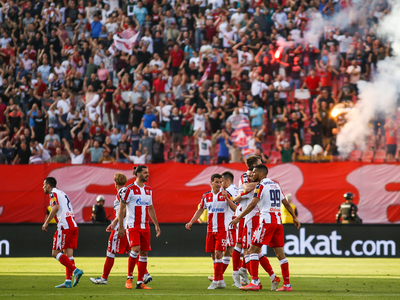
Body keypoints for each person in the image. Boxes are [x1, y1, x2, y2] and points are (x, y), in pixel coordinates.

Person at [230, 164, 300, 292]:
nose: (252, 175)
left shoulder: (260, 186)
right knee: (280, 254)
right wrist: (294, 217)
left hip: (266, 221)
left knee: (251, 251)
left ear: (261, 174)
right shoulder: (276, 185)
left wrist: (239, 217)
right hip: (277, 222)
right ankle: (287, 285)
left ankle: (255, 282)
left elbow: (252, 204)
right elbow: (286, 203)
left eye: (255, 172)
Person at [185, 173, 237, 289]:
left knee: (219, 254)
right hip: (210, 230)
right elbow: (200, 210)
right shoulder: (206, 196)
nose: (219, 184)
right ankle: (221, 281)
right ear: (211, 182)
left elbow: (235, 209)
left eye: (220, 182)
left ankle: (216, 280)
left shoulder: (226, 194)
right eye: (217, 182)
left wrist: (227, 199)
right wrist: (191, 222)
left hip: (222, 230)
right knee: (213, 255)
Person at [118, 165, 161, 290]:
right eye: (145, 173)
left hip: (145, 226)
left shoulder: (149, 190)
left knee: (144, 253)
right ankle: (129, 278)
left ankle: (140, 282)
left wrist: (156, 225)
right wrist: (121, 226)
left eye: (148, 172)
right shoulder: (129, 189)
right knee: (135, 249)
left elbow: (151, 208)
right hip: (132, 225)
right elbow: (122, 207)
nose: (148, 174)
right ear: (138, 174)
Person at [89, 173, 134, 284]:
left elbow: (123, 211)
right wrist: (114, 222)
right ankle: (145, 274)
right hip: (126, 225)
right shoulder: (126, 192)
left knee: (110, 251)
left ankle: (104, 278)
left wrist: (117, 224)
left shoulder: (121, 192)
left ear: (115, 182)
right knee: (131, 251)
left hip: (121, 227)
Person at [41, 177, 84, 288]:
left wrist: (46, 223)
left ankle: (75, 270)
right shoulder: (62, 193)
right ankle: (68, 281)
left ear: (49, 185)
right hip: (73, 225)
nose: (43, 187)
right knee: (68, 254)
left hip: (65, 226)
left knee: (55, 253)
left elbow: (55, 207)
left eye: (44, 185)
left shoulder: (53, 194)